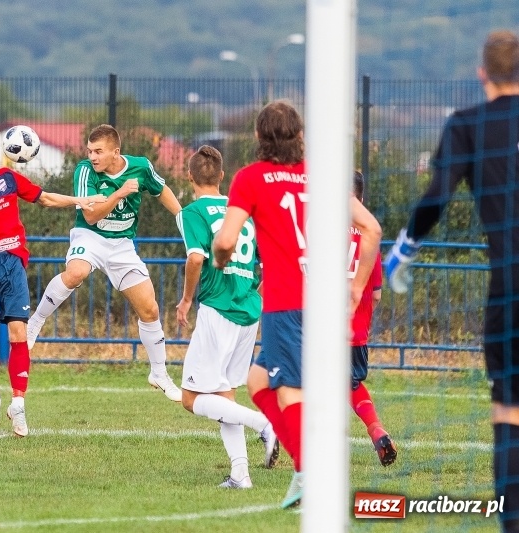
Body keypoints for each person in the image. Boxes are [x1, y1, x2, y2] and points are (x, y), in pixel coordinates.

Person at [213, 101, 382, 508]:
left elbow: (224, 240)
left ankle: (312, 474)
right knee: (257, 381)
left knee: (289, 391)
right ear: (299, 135)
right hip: (323, 302)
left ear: (258, 137)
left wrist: (220, 259)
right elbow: (372, 229)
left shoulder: (250, 178)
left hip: (287, 303)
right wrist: (357, 289)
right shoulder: (320, 176)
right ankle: (306, 467)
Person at [385, 30, 519, 531]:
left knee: (509, 412)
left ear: (483, 72)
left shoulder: (467, 125)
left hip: (509, 290)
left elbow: (437, 195)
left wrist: (403, 251)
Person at [0, 132, 105, 437]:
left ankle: (18, 404)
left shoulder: (6, 177)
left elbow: (44, 197)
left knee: (19, 332)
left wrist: (79, 201)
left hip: (13, 264)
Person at [26, 124, 183, 401]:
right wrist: (118, 194)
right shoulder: (85, 171)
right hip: (91, 236)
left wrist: (182, 218)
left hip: (122, 245)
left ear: (116, 152)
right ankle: (36, 321)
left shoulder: (141, 166)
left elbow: (162, 190)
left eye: (99, 151)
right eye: (90, 151)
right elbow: (90, 217)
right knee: (75, 273)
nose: (93, 156)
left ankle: (159, 373)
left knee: (149, 308)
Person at [175, 145, 278, 489]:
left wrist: (187, 299)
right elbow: (269, 260)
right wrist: (252, 289)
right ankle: (240, 475)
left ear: (189, 176)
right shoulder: (240, 213)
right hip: (248, 311)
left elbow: (194, 258)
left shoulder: (192, 212)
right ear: (221, 176)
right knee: (223, 396)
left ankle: (264, 424)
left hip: (218, 309)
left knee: (190, 399)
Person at [348, 170, 396, 467]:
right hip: (355, 331)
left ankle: (279, 434)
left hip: (317, 328)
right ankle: (376, 429)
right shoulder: (369, 235)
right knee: (350, 385)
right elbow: (376, 294)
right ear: (361, 199)